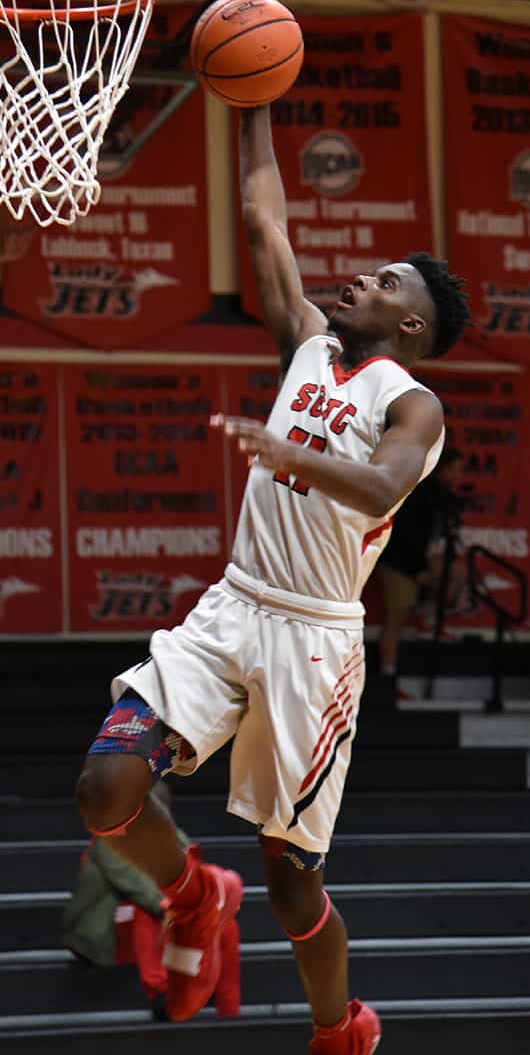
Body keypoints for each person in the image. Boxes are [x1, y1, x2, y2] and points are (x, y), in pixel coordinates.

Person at [75, 103, 470, 1054]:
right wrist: (246, 100)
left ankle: (341, 1029)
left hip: (316, 642)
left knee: (293, 880)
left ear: (409, 322)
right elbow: (264, 220)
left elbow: (381, 483)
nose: (354, 279)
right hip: (235, 605)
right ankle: (192, 896)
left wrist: (293, 462)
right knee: (105, 788)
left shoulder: (413, 404)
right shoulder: (304, 342)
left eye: (379, 282)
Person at [62, 782, 241, 1020]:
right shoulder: (110, 838)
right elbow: (135, 884)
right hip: (103, 932)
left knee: (225, 925)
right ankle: (161, 993)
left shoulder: (176, 838)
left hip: (152, 924)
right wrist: (174, 907)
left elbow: (191, 884)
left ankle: (228, 1011)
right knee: (146, 909)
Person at [376, 445, 467, 677]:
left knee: (457, 573)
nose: (459, 476)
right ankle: (388, 674)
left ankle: (425, 616)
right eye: (455, 470)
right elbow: (403, 536)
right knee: (395, 618)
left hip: (420, 561)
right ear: (441, 470)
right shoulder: (418, 493)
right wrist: (418, 572)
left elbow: (440, 538)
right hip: (397, 561)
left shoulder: (445, 497)